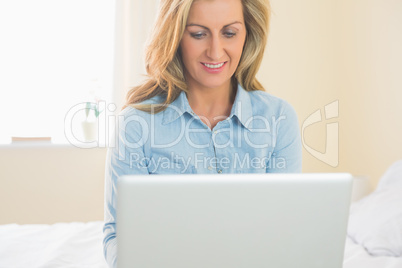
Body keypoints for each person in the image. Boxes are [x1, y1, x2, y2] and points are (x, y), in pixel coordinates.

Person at [103, 0, 302, 266]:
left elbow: (284, 231)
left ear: (247, 36)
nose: (215, 51)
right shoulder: (136, 124)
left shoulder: (278, 118)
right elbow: (118, 237)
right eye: (198, 34)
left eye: (229, 33)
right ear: (175, 36)